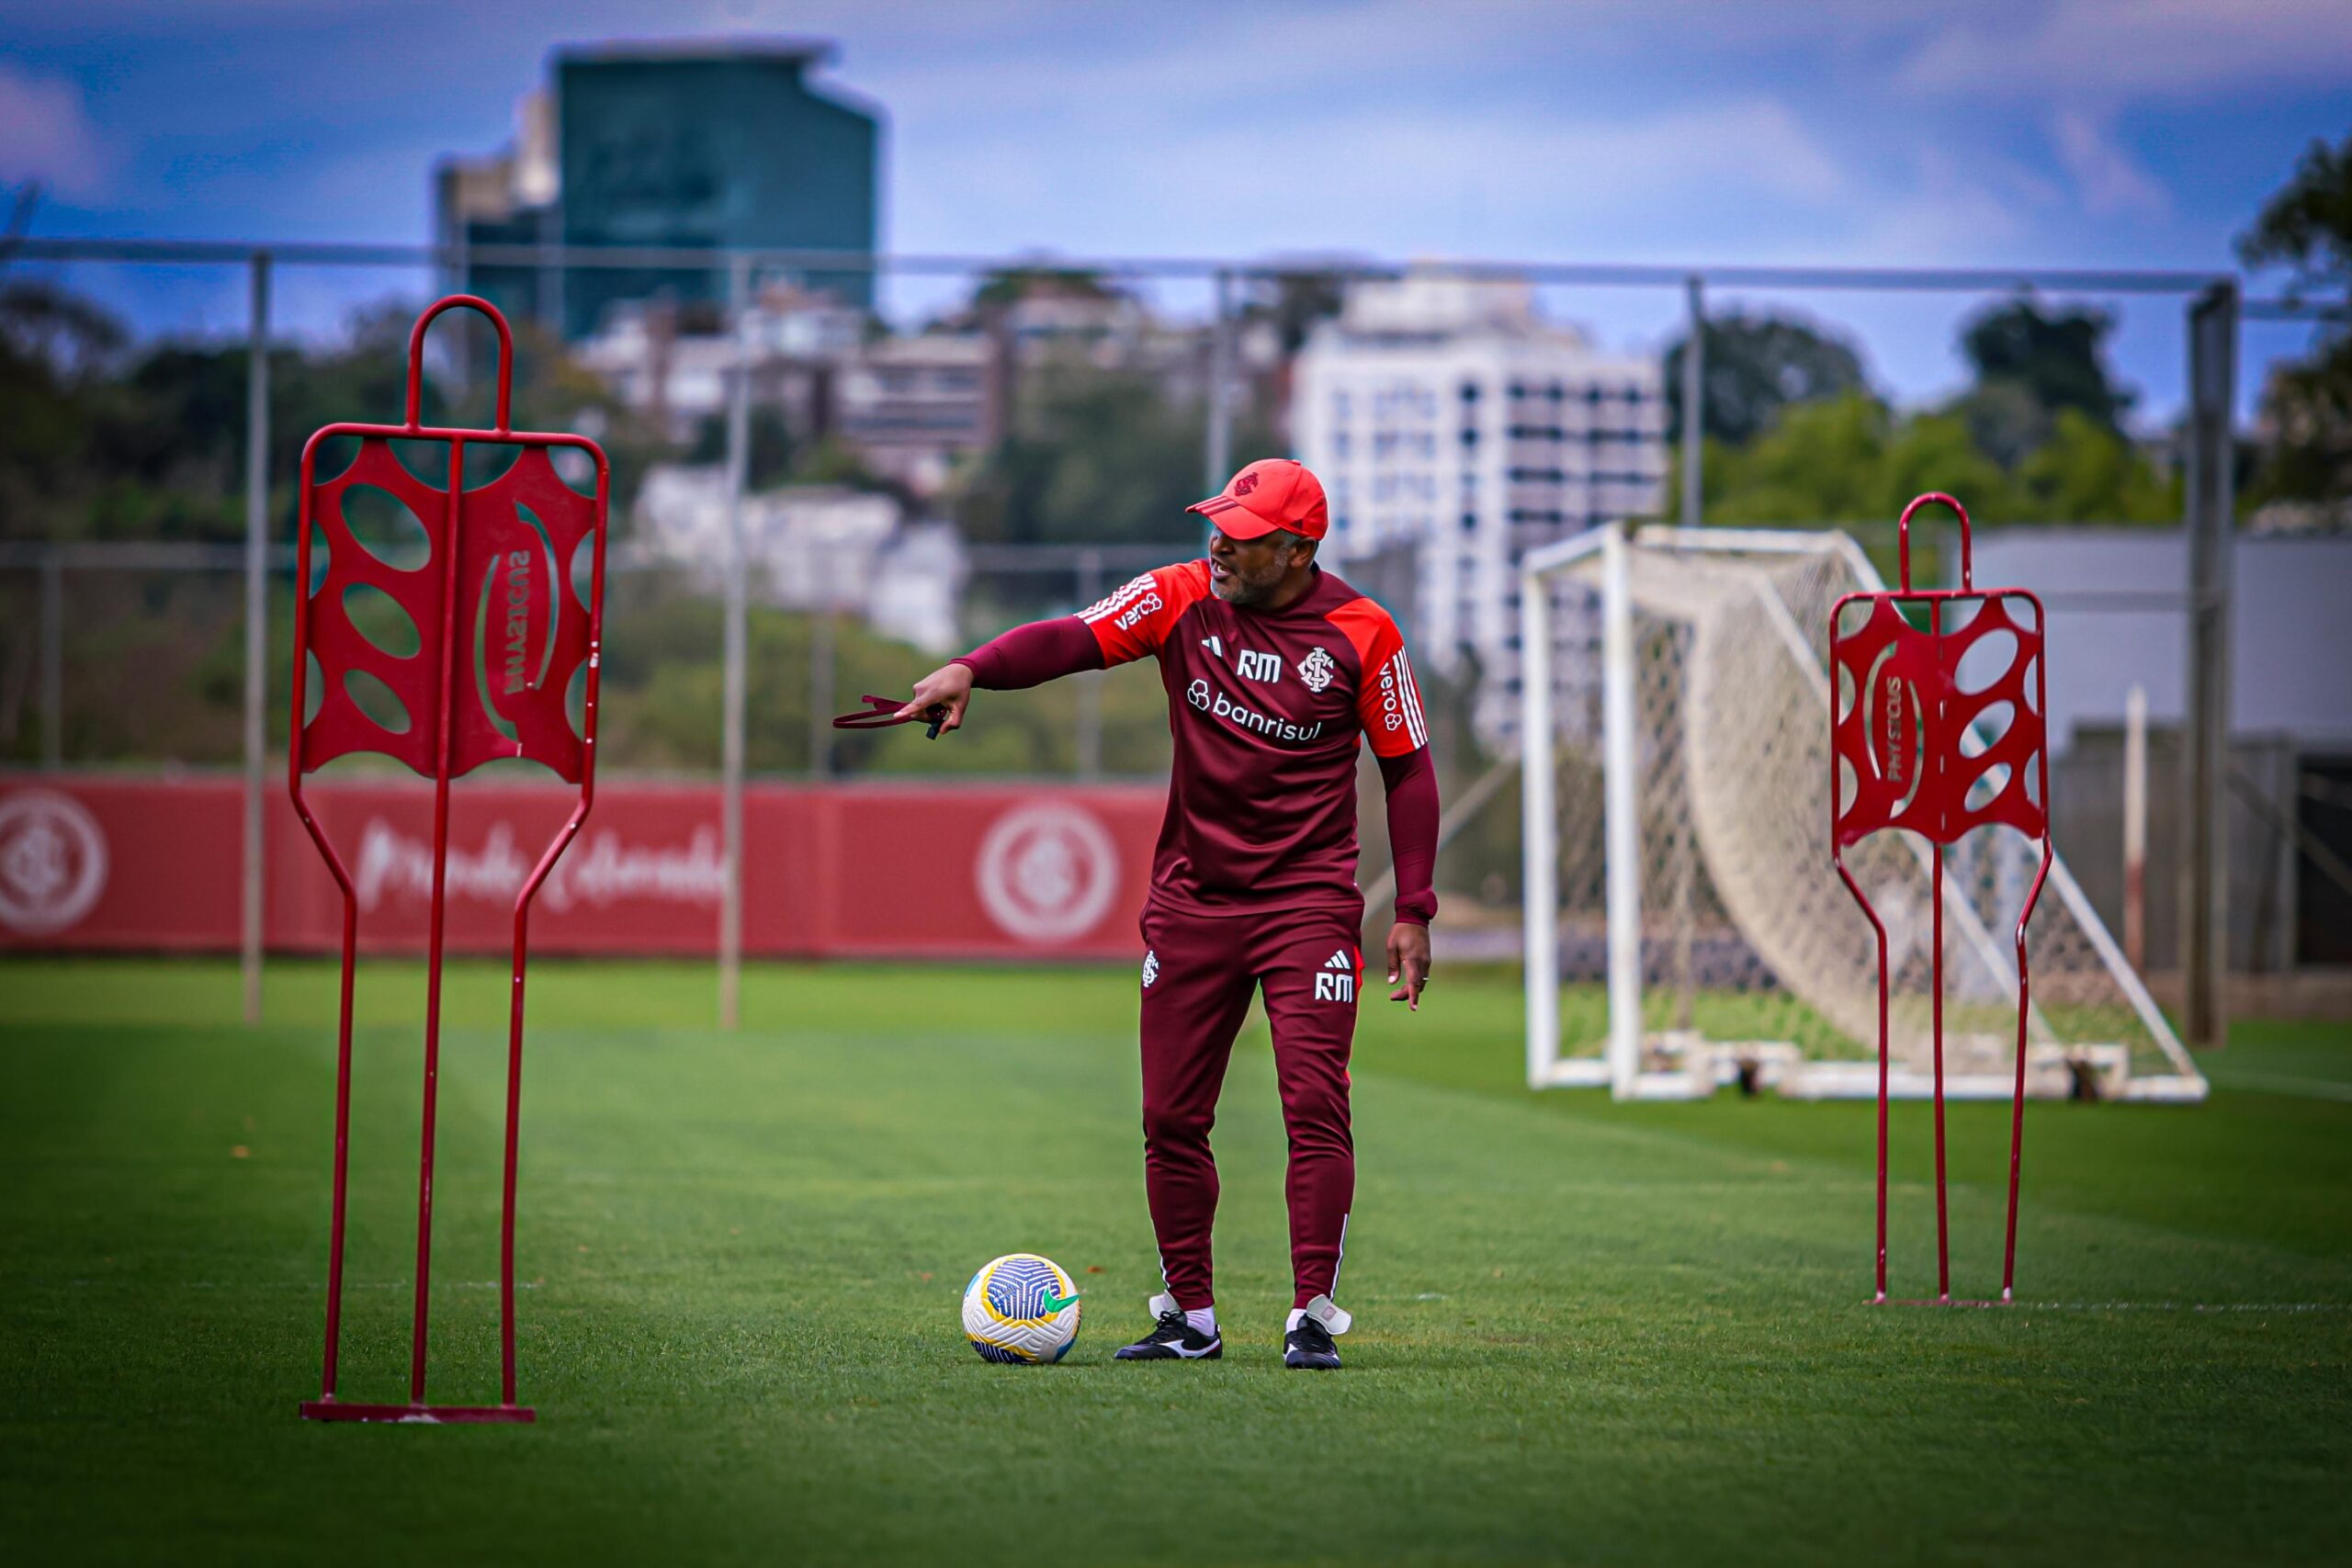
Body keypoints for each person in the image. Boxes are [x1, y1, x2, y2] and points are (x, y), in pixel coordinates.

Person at [899, 458, 1439, 1370]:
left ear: (1297, 547)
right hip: (1192, 901)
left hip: (1306, 902)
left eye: (1241, 532)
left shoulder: (1362, 631)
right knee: (1171, 1117)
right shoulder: (1180, 596)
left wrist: (1413, 907)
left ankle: (1312, 1312)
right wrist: (970, 669)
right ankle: (1189, 1316)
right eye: (1216, 524)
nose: (1218, 543)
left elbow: (1409, 769)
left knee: (1314, 1104)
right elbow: (1069, 639)